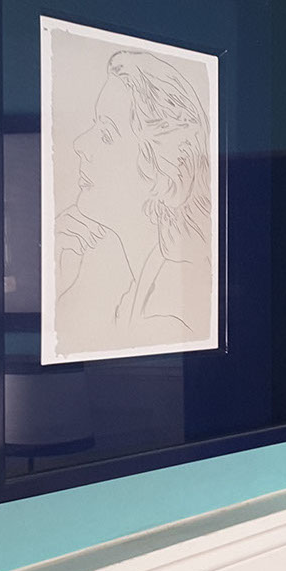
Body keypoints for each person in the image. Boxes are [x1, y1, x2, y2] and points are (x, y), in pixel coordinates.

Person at [54, 50, 213, 357]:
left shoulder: (166, 316)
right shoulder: (139, 289)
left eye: (106, 134)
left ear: (168, 174)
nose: (80, 144)